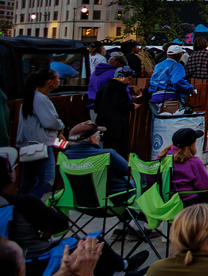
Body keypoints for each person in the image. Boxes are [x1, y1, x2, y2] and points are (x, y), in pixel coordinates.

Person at [163, 127, 208, 219]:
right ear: (191, 144)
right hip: (186, 200)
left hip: (167, 199)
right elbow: (204, 185)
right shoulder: (193, 162)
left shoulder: (163, 157)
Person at [16, 69, 63, 197]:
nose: (59, 81)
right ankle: (29, 204)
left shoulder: (31, 97)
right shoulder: (40, 99)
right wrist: (61, 125)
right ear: (49, 82)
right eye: (57, 78)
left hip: (29, 145)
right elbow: (50, 122)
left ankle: (19, 206)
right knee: (48, 180)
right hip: (42, 145)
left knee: (29, 181)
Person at [62, 120, 131, 199]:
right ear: (92, 139)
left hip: (78, 199)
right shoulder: (107, 154)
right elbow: (128, 171)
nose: (100, 138)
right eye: (99, 135)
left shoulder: (65, 156)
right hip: (113, 198)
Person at [148, 45, 198, 113]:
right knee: (171, 119)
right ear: (179, 55)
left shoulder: (158, 65)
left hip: (154, 98)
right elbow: (176, 81)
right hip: (169, 99)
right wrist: (190, 89)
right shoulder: (177, 66)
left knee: (157, 119)